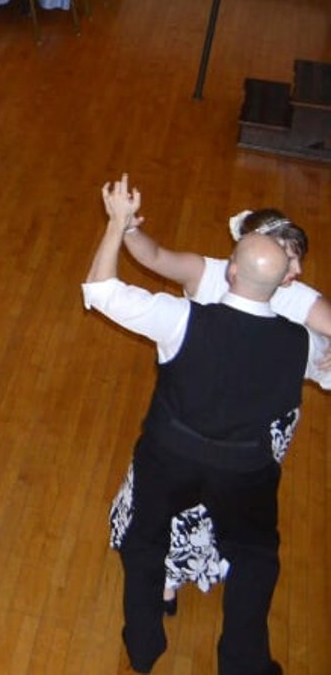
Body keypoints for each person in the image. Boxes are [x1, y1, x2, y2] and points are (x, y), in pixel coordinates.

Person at [83, 175, 317, 675]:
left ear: (229, 271)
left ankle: (143, 647)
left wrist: (115, 225)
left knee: (146, 544)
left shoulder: (180, 318)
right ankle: (243, 663)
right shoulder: (299, 343)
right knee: (255, 557)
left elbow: (102, 291)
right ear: (282, 285)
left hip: (169, 456)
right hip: (245, 469)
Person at [110, 207, 331, 613]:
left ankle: (186, 569)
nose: (295, 267)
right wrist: (125, 229)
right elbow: (155, 256)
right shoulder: (208, 272)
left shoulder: (299, 297)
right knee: (178, 502)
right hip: (202, 415)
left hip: (252, 426)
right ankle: (168, 580)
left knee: (214, 505)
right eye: (288, 254)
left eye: (299, 256)